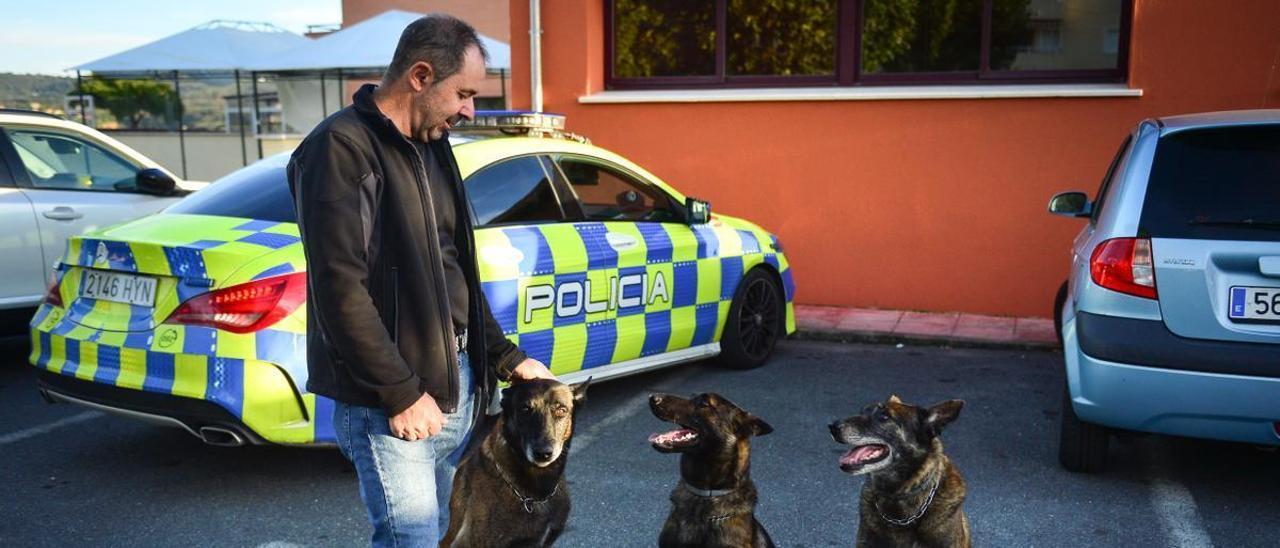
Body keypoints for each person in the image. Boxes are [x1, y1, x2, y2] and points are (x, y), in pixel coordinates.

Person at [287, 14, 554, 547]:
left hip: (451, 383)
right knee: (410, 537)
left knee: (438, 535)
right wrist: (401, 393)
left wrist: (503, 356)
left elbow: (452, 271)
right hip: (394, 400)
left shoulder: (432, 144)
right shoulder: (341, 148)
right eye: (464, 93)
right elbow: (341, 291)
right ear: (421, 76)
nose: (469, 109)